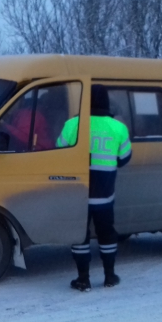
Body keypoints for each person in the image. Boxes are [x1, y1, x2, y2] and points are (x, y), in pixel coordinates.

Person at [57, 84, 132, 291]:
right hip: (104, 196)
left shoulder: (73, 125)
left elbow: (59, 152)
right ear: (107, 102)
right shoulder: (118, 128)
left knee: (80, 236)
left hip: (78, 195)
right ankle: (109, 276)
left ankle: (83, 279)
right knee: (107, 233)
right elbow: (124, 159)